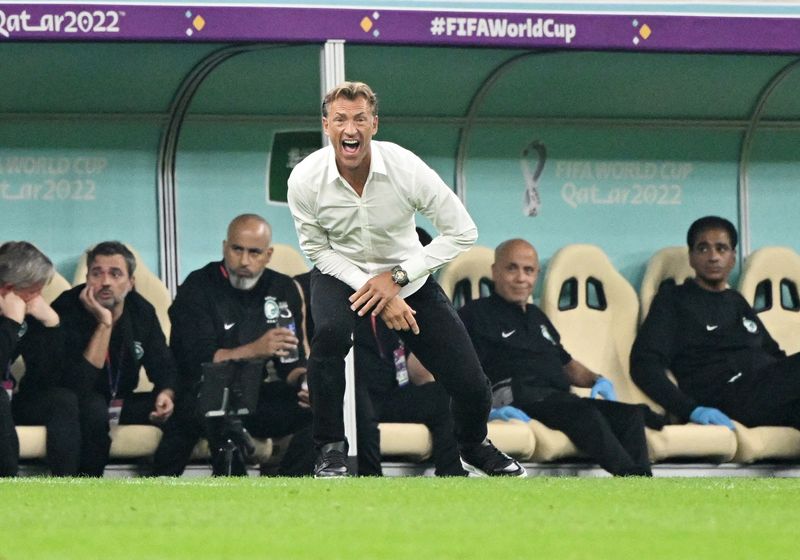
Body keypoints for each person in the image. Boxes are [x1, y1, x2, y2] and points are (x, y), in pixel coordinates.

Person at [287, 80, 525, 477]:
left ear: (374, 124)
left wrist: (396, 279)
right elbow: (317, 251)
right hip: (340, 274)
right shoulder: (304, 179)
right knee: (328, 337)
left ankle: (473, 443)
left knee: (471, 383)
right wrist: (375, 288)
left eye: (360, 119)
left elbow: (462, 231)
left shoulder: (405, 167)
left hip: (408, 278)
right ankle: (329, 448)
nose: (351, 129)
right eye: (341, 119)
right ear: (326, 125)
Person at [459, 239, 654, 476]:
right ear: (495, 271)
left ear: (536, 275)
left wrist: (597, 379)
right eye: (512, 268)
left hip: (556, 399)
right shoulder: (474, 314)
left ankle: (643, 480)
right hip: (519, 397)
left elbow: (566, 364)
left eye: (528, 270)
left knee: (631, 415)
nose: (521, 278)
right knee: (583, 413)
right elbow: (461, 368)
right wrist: (485, 409)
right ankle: (630, 478)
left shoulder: (537, 316)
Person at [152, 214, 314, 477]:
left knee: (321, 413)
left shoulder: (284, 289)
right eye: (237, 249)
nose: (244, 260)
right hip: (201, 395)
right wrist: (255, 349)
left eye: (254, 252)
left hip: (258, 396)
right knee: (220, 408)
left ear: (268, 254)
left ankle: (287, 491)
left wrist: (305, 382)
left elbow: (292, 363)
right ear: (225, 247)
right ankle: (233, 494)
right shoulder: (198, 286)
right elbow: (195, 361)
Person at [631, 215, 800, 431]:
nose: (713, 257)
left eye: (721, 249)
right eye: (703, 249)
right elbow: (643, 364)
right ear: (691, 257)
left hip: (766, 395)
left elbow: (775, 357)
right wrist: (690, 409)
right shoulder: (673, 299)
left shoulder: (736, 301)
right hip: (726, 398)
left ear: (732, 258)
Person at [52, 241, 177, 476]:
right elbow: (79, 385)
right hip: (78, 403)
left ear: (131, 283)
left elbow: (163, 364)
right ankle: (89, 490)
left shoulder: (141, 311)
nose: (105, 282)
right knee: (93, 407)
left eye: (115, 273)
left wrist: (166, 393)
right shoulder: (67, 307)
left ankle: (162, 486)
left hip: (121, 401)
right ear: (87, 278)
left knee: (185, 406)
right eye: (97, 273)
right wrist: (104, 323)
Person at [0, 241, 64, 477]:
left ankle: (70, 489)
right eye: (34, 291)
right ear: (8, 289)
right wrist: (10, 325)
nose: (39, 298)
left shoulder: (26, 313)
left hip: (12, 402)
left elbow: (48, 377)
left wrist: (51, 325)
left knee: (63, 399)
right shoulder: (14, 318)